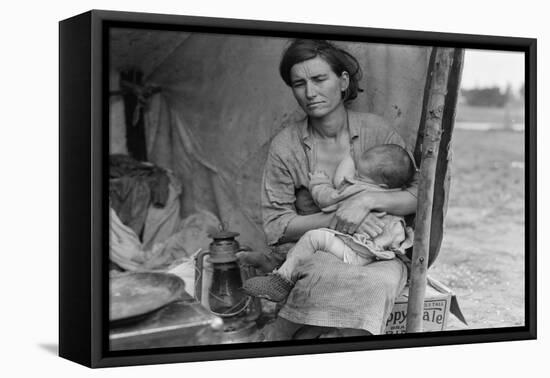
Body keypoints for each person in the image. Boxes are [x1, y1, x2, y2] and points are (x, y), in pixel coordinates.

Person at [256, 39, 418, 338]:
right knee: (320, 275)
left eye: (319, 79)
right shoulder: (286, 145)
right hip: (317, 249)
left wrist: (367, 200)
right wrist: (336, 218)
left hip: (378, 251)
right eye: (298, 83)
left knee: (378, 284)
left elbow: (419, 195)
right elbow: (276, 225)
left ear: (343, 82)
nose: (310, 92)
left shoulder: (378, 132)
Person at [243, 144, 415, 302]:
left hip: (356, 254)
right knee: (306, 250)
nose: (354, 177)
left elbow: (326, 199)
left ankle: (281, 282)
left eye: (360, 175)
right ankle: (274, 266)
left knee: (313, 238)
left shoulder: (359, 190)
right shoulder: (394, 196)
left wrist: (319, 182)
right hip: (376, 255)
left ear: (382, 185)